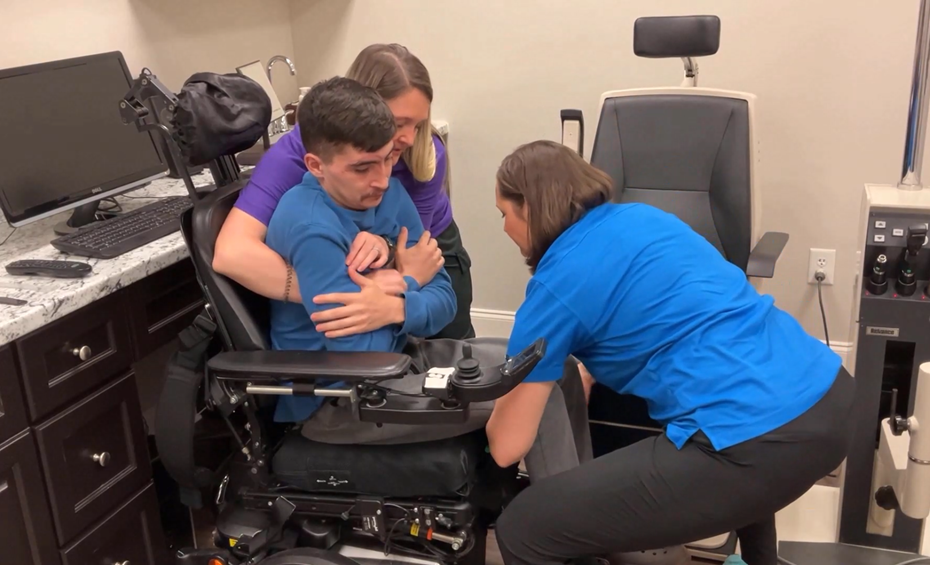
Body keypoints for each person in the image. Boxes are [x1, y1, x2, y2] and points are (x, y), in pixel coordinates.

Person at [484, 140, 856, 565]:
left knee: (523, 528)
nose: (504, 228)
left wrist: (494, 405)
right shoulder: (643, 219)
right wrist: (586, 370)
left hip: (754, 446)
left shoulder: (552, 288)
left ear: (529, 208)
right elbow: (659, 314)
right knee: (746, 414)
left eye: (504, 214)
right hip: (829, 401)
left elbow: (506, 447)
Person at [264, 78, 587, 483]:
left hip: (403, 359)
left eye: (385, 160)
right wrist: (407, 277)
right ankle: (564, 538)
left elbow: (444, 299)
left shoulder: (389, 195)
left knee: (557, 364)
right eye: (362, 168)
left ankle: (585, 506)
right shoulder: (312, 227)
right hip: (343, 398)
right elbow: (362, 356)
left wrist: (398, 301)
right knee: (534, 398)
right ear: (316, 165)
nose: (381, 178)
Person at [213, 43, 475, 341]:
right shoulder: (299, 160)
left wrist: (389, 268)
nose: (410, 139)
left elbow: (411, 253)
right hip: (364, 298)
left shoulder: (425, 155)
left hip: (435, 249)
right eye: (399, 123)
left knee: (458, 352)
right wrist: (339, 293)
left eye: (419, 124)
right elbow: (231, 253)